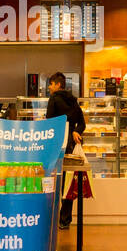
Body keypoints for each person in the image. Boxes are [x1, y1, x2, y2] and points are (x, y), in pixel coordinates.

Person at [45, 71, 86, 229]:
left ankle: (51, 218)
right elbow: (82, 123)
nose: (49, 87)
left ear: (58, 85)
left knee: (55, 181)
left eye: (51, 83)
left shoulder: (54, 99)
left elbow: (49, 122)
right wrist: (76, 131)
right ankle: (65, 219)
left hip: (55, 145)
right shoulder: (74, 101)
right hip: (70, 145)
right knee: (68, 183)